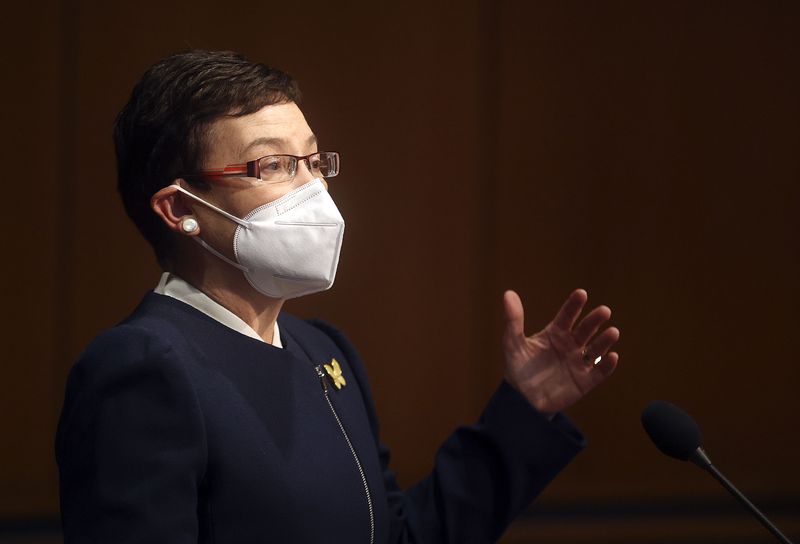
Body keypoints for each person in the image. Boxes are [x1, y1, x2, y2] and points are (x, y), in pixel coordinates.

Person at [55, 50, 620, 544]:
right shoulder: (144, 366)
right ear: (180, 210)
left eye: (312, 159)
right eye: (272, 165)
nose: (311, 188)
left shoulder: (321, 351)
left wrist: (524, 412)